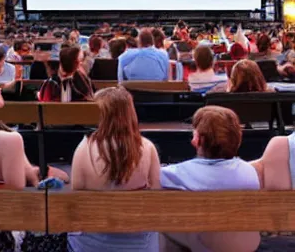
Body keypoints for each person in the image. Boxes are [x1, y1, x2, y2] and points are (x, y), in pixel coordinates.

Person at [68, 86, 160, 251]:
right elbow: (155, 193)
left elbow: (77, 195)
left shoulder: (83, 148)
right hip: (138, 243)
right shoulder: (147, 148)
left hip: (92, 243)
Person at [160, 106, 260, 252]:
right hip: (247, 244)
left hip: (206, 245)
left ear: (197, 140)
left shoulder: (177, 174)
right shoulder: (250, 171)